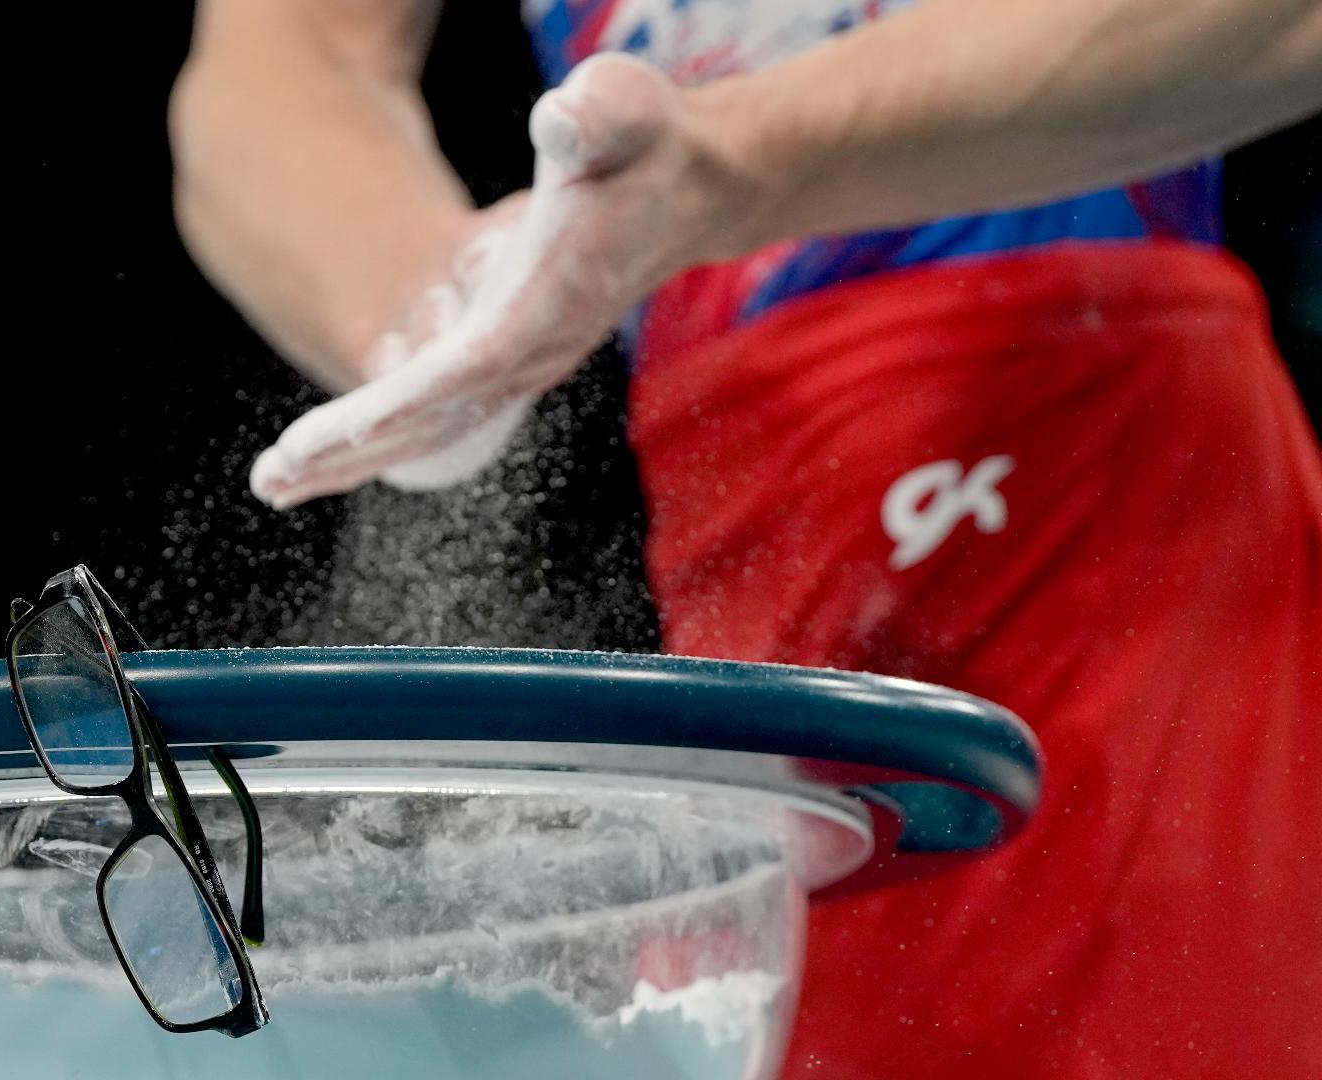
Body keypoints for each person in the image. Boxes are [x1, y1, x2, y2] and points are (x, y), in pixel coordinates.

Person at [169, 1, 1322, 1076]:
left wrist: (737, 158)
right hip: (745, 510)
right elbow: (280, 63)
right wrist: (424, 299)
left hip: (1110, 487)